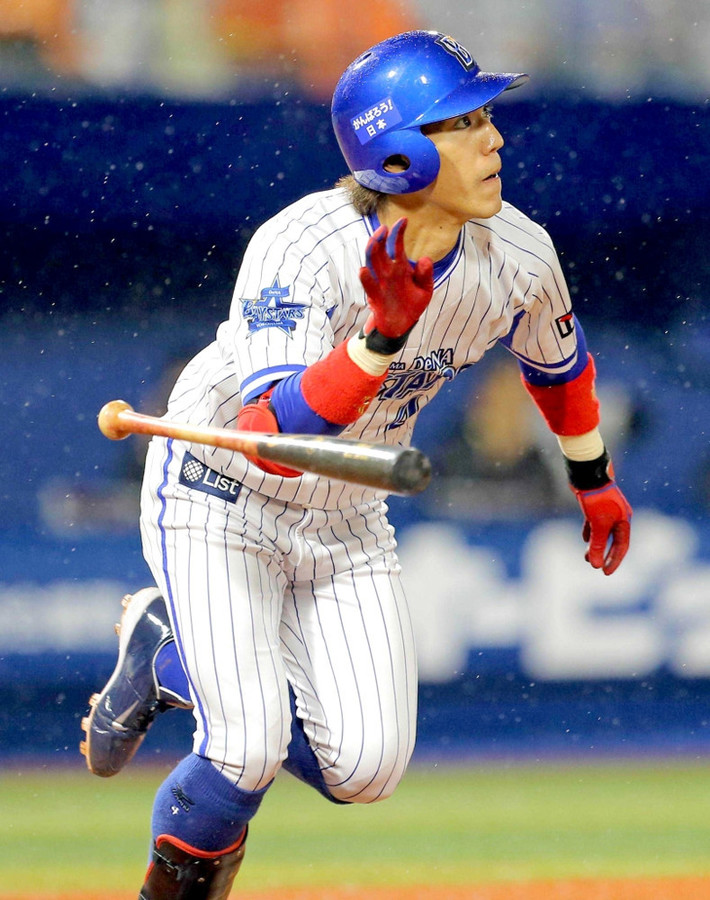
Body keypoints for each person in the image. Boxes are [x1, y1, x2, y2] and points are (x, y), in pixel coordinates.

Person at [80, 30, 632, 898]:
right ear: (399, 151)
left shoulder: (518, 253)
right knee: (246, 747)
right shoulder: (301, 245)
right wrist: (379, 339)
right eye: (464, 122)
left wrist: (593, 478)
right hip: (223, 492)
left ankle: (168, 657)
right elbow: (272, 433)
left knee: (367, 768)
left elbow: (559, 364)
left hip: (346, 513)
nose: (495, 138)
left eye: (487, 116)